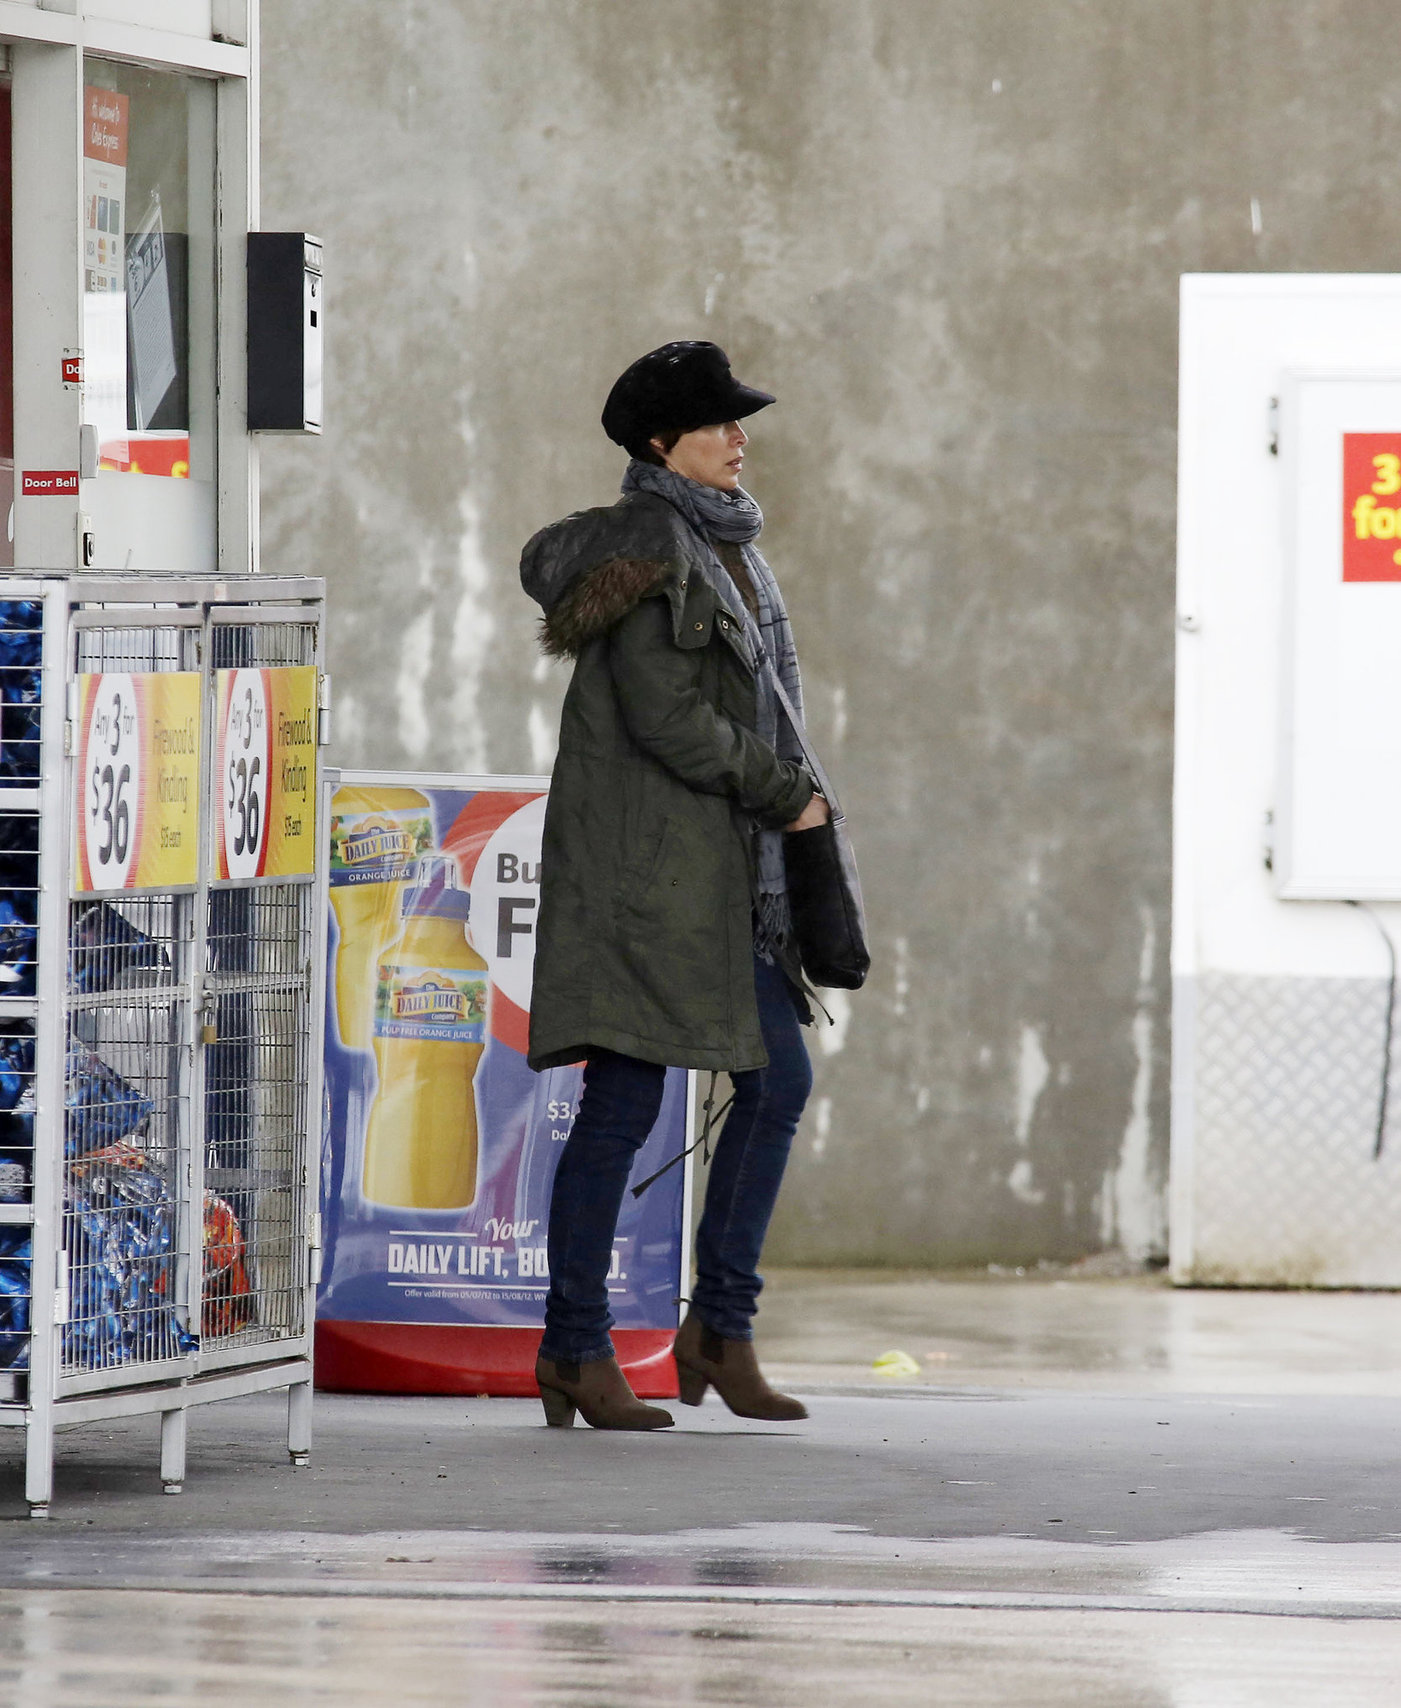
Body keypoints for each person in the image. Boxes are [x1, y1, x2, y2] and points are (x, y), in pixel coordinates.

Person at [520, 340, 832, 1431]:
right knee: (624, 1104)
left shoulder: (724, 544)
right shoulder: (656, 549)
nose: (741, 437)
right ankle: (574, 1348)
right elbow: (665, 715)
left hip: (714, 879)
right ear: (664, 444)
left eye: (739, 422)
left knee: (775, 1079)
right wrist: (783, 791)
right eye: (719, 424)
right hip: (648, 882)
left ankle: (717, 1328)